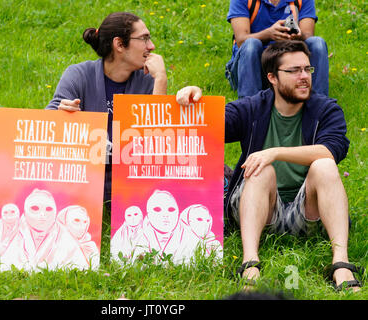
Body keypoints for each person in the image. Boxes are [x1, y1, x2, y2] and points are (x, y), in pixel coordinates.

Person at [176, 41, 362, 292]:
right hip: (259, 208)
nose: (304, 76)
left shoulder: (326, 109)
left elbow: (331, 150)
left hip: (306, 209)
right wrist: (195, 100)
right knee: (260, 169)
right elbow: (207, 125)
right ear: (272, 77)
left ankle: (341, 263)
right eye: (294, 70)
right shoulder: (252, 107)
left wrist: (274, 152)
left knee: (325, 166)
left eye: (308, 69)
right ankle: (250, 262)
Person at [46, 12, 167, 206]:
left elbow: (159, 141)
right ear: (119, 44)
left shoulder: (148, 80)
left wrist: (160, 80)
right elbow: (45, 126)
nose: (151, 46)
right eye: (144, 38)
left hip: (132, 182)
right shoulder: (78, 75)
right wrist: (61, 116)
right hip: (84, 180)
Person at [225, 0, 329, 98]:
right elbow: (241, 40)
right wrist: (269, 34)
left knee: (317, 43)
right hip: (250, 69)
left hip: (288, 67)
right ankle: (249, 107)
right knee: (251, 44)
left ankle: (319, 105)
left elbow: (308, 35)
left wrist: (296, 35)